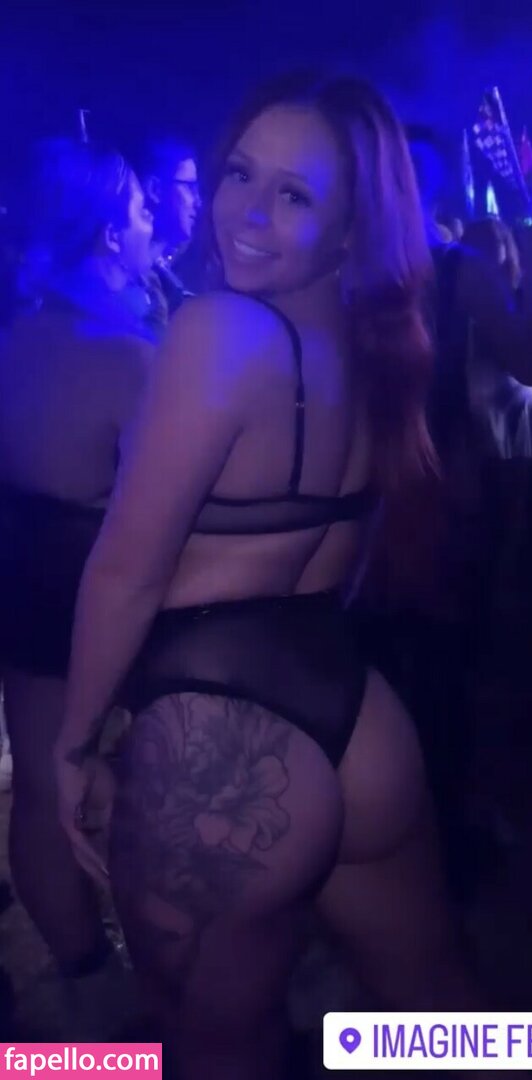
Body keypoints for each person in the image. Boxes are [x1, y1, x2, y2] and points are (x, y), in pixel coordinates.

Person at [55, 73, 481, 1079]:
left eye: (292, 195)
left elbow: (124, 572)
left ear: (348, 229)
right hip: (358, 722)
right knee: (444, 1019)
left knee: (211, 1052)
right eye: (239, 174)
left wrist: (71, 746)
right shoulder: (372, 346)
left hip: (217, 743)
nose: (244, 213)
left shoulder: (218, 331)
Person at [0, 138, 154, 1035]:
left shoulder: (15, 339)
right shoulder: (127, 358)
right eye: (138, 211)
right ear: (106, 235)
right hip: (108, 607)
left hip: (26, 595)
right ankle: (156, 1000)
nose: (150, 224)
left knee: (40, 793)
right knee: (137, 794)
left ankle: (85, 973)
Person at [133, 137, 202, 336]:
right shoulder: (129, 280)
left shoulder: (181, 266)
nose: (198, 202)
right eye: (189, 187)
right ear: (155, 190)